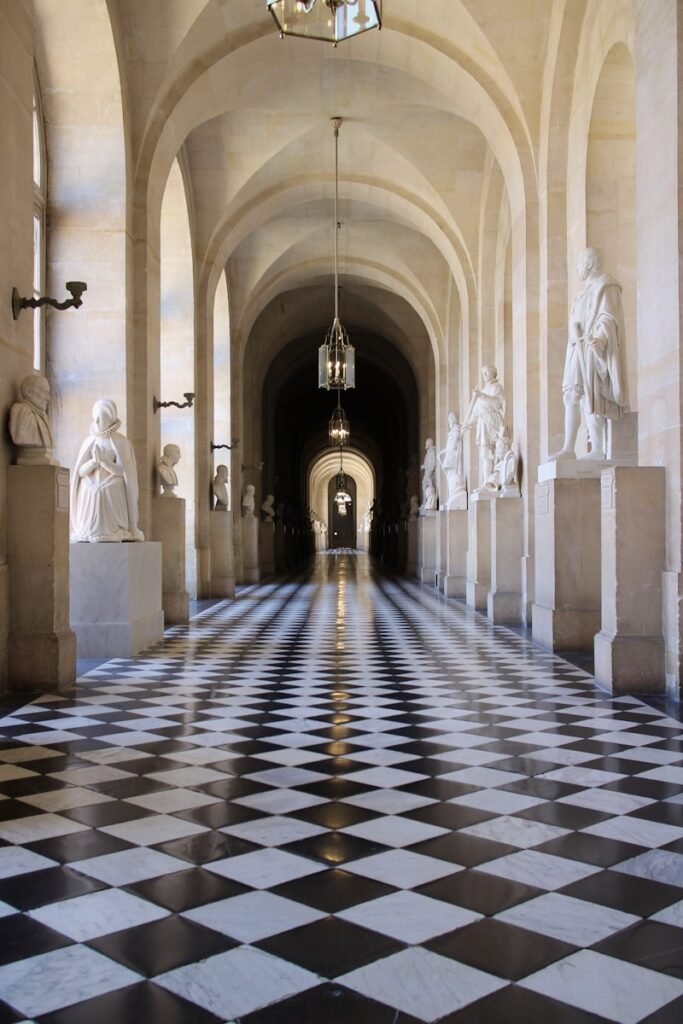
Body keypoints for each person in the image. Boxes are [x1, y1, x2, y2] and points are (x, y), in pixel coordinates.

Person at [550, 247, 629, 460]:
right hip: (576, 348)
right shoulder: (580, 294)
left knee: (590, 395)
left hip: (593, 348)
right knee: (570, 395)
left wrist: (601, 340)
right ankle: (568, 448)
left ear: (589, 263)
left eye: (578, 264)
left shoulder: (605, 286)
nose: (576, 269)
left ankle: (596, 449)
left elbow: (609, 318)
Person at [70, 398, 144, 543]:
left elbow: (122, 471)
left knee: (108, 487)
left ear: (110, 418)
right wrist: (93, 462)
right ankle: (88, 529)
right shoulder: (89, 441)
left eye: (101, 418)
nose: (97, 422)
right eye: (95, 417)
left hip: (111, 481)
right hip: (92, 481)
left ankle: (114, 529)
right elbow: (80, 472)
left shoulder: (121, 441)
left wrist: (104, 462)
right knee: (90, 487)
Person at [463, 365, 506, 487]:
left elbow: (499, 404)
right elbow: (476, 411)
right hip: (482, 422)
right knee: (484, 454)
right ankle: (486, 482)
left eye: (487, 372)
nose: (485, 375)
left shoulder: (497, 387)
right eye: (483, 373)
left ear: (494, 373)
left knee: (497, 450)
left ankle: (496, 478)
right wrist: (468, 424)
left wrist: (483, 396)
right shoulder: (483, 390)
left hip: (493, 420)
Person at [8, 373, 55, 465]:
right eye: (45, 393)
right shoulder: (21, 413)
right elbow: (19, 436)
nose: (48, 398)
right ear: (29, 392)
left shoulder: (44, 417)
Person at [438, 412, 465, 507]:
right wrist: (442, 452)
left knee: (451, 473)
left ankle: (455, 491)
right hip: (449, 454)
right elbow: (449, 445)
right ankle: (452, 493)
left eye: (450, 419)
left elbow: (453, 444)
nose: (449, 421)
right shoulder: (452, 430)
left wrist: (447, 451)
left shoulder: (456, 429)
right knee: (449, 474)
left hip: (452, 455)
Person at [420, 438, 437, 510]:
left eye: (426, 443)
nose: (425, 444)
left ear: (429, 444)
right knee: (424, 486)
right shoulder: (429, 452)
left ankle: (428, 501)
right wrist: (424, 466)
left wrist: (428, 471)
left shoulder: (431, 452)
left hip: (429, 473)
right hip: (427, 472)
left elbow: (432, 464)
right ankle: (425, 502)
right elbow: (428, 463)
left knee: (426, 486)